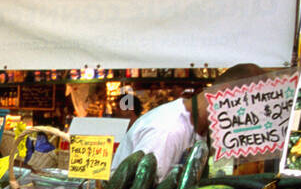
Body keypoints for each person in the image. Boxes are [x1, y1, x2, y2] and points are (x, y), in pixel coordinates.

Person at [111, 63, 264, 179]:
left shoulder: (202, 127)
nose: (246, 121)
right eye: (248, 110)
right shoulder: (168, 131)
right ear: (226, 94)